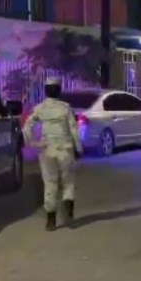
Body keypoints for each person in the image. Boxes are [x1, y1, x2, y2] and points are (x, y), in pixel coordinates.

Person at [22, 76, 83, 231]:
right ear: (59, 91)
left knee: (50, 184)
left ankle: (51, 220)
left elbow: (27, 126)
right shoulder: (66, 108)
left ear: (46, 91)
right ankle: (69, 215)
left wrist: (33, 143)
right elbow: (74, 130)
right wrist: (78, 149)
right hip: (65, 150)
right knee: (68, 183)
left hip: (47, 150)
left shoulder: (40, 108)